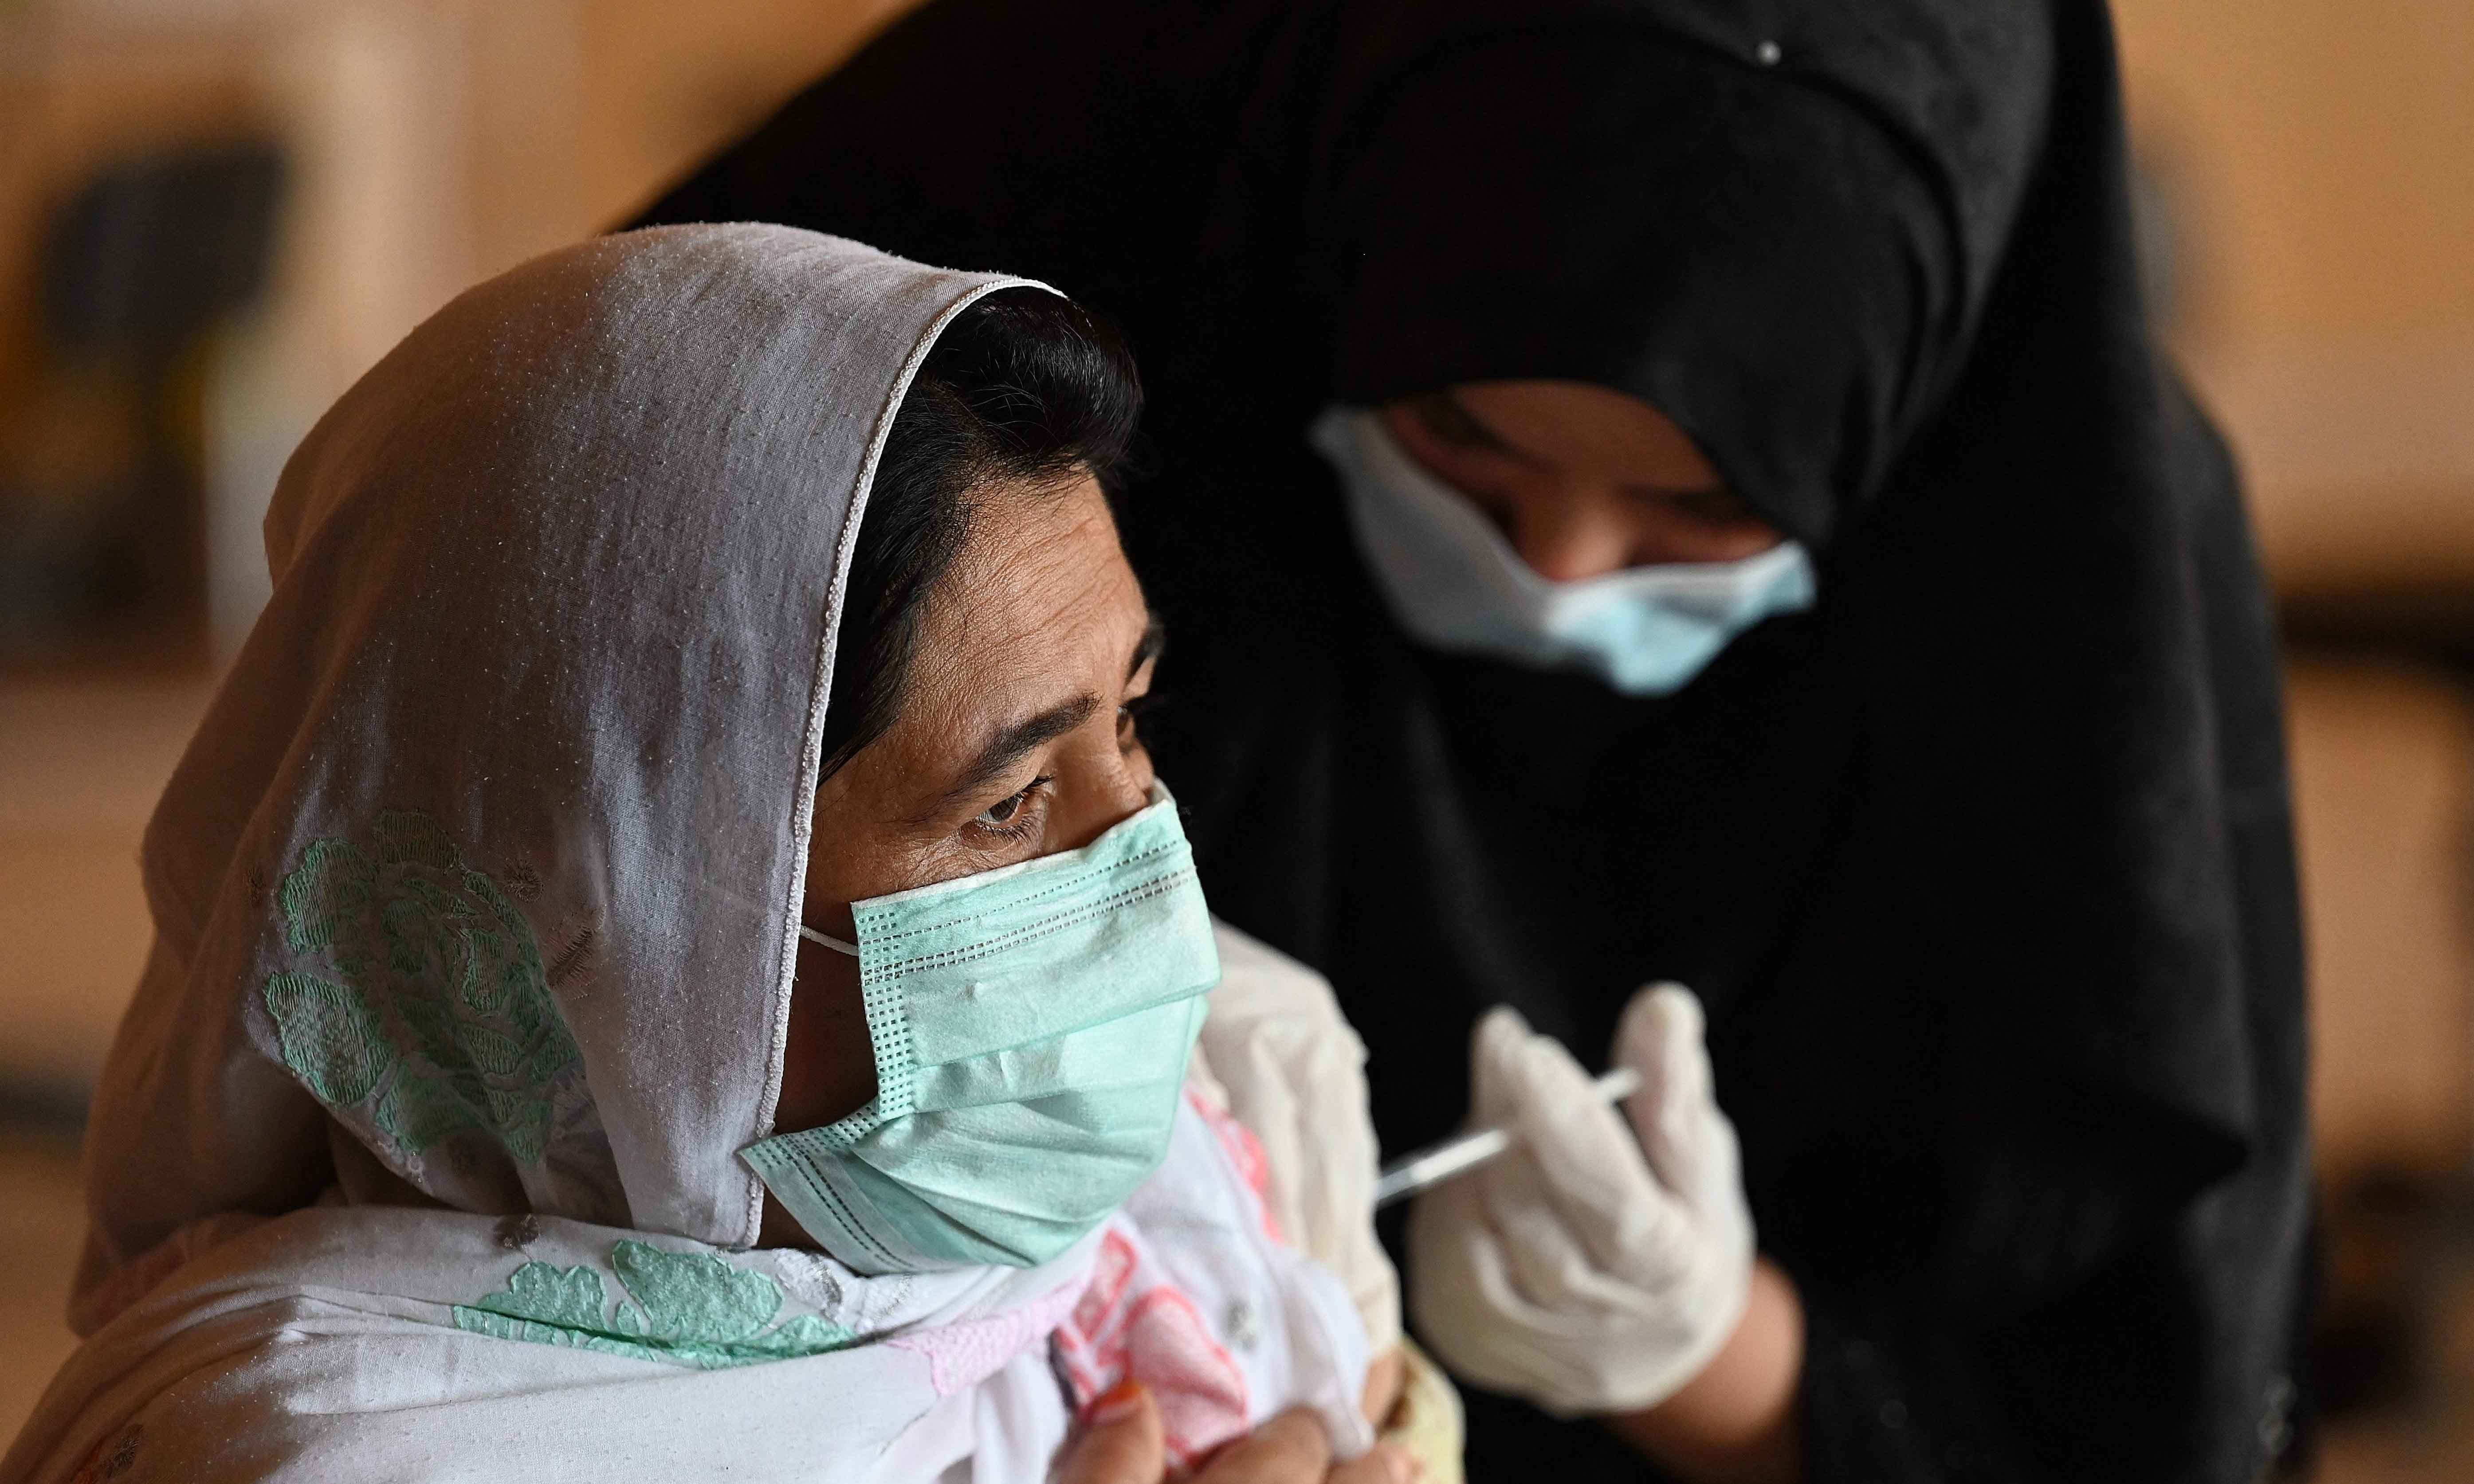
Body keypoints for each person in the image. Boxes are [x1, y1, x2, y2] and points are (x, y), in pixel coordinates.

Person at [634, 2, 2314, 1481]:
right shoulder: (1042, 290)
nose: (1558, 567)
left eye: (1703, 503)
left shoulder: (2060, 592)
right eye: (1458, 439)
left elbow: (2126, 1407)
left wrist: (1710, 1354)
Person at [0, 225, 1437, 1484]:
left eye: (1130, 720)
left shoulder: (1180, 1190)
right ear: (615, 915)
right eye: (1006, 804)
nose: (1146, 881)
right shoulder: (325, 1453)